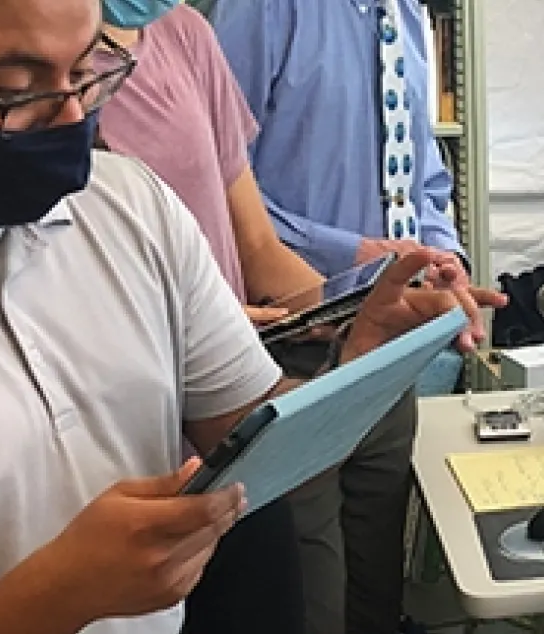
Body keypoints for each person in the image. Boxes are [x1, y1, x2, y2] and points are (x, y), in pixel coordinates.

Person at [0, 0, 503, 633]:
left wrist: (363, 356)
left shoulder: (129, 207)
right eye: (15, 89)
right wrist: (59, 596)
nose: (70, 121)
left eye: (87, 73)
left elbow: (257, 439)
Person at [205, 1, 471, 631]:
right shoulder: (261, 11)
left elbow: (425, 171)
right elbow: (216, 181)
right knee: (311, 589)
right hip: (289, 337)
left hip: (387, 347)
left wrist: (444, 253)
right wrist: (349, 253)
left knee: (378, 574)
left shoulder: (403, 13)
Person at [90, 0, 350, 631]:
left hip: (226, 437)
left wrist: (356, 311)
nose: (69, 102)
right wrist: (199, 320)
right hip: (130, 452)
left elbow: (258, 247)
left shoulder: (183, 34)